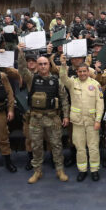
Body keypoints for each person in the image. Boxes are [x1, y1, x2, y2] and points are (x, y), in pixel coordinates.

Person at [18, 52, 70, 183]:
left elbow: (64, 99)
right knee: (36, 146)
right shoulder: (31, 79)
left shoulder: (56, 81)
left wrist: (66, 116)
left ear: (49, 65)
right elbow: (22, 69)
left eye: (45, 64)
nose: (42, 66)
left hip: (53, 118)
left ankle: (60, 170)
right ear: (36, 65)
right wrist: (20, 53)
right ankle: (37, 171)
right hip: (36, 119)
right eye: (40, 64)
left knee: (57, 145)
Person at [59, 58, 103, 181]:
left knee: (93, 147)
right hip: (77, 122)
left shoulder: (95, 84)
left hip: (91, 122)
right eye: (80, 71)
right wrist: (63, 65)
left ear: (88, 72)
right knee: (80, 147)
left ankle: (94, 170)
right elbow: (63, 78)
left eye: (85, 71)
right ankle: (82, 170)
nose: (82, 73)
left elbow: (100, 104)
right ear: (77, 72)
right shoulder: (73, 82)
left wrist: (98, 120)